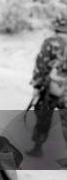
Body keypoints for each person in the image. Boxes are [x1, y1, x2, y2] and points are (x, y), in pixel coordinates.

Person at [27, 13, 67, 157]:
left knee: (44, 116)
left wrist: (37, 86)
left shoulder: (51, 42)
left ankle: (38, 147)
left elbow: (41, 65)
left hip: (51, 88)